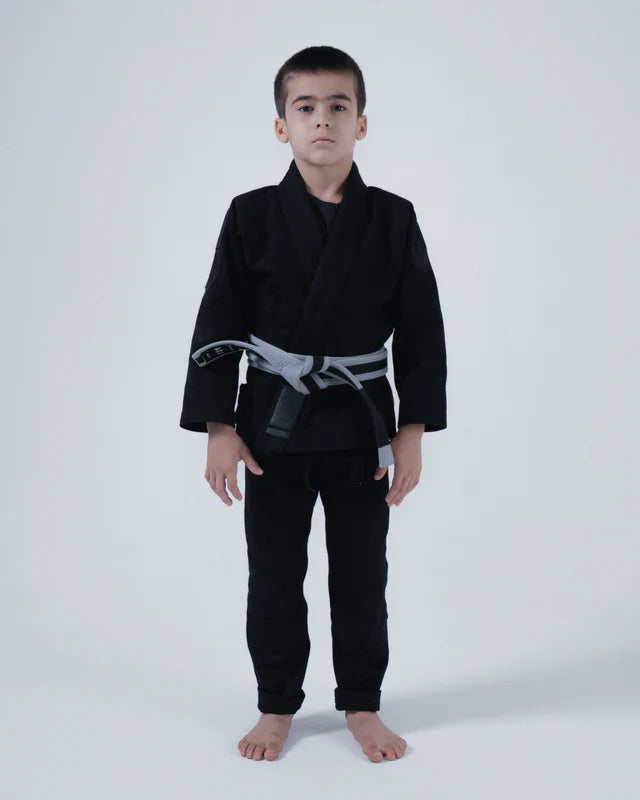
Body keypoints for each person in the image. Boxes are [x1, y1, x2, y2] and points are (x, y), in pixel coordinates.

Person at [179, 45, 447, 763]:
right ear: (282, 126)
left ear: (362, 123)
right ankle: (276, 705)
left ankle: (362, 703)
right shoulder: (250, 216)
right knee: (274, 577)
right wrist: (218, 426)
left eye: (338, 106)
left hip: (362, 431)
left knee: (362, 576)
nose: (321, 120)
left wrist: (413, 429)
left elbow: (422, 330)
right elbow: (218, 319)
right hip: (271, 430)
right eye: (305, 107)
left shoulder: (393, 218)